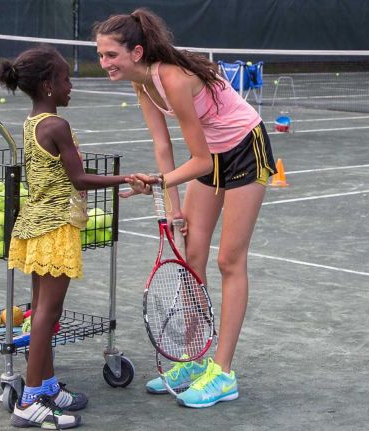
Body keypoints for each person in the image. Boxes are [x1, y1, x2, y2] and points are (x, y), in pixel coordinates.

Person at [94, 8, 277, 408]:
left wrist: (158, 184)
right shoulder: (141, 85)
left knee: (229, 260)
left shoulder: (173, 79)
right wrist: (172, 208)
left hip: (246, 148)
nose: (104, 63)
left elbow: (198, 162)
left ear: (137, 51)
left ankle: (223, 372)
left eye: (111, 55)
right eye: (101, 55)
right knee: (192, 257)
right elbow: (163, 147)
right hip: (211, 154)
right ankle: (194, 361)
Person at [0, 45, 150, 428]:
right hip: (54, 229)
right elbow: (78, 179)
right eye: (66, 79)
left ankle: (46, 385)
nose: (71, 86)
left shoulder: (32, 121)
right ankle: (30, 401)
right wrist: (128, 179)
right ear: (48, 85)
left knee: (45, 312)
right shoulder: (56, 125)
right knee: (46, 315)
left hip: (35, 226)